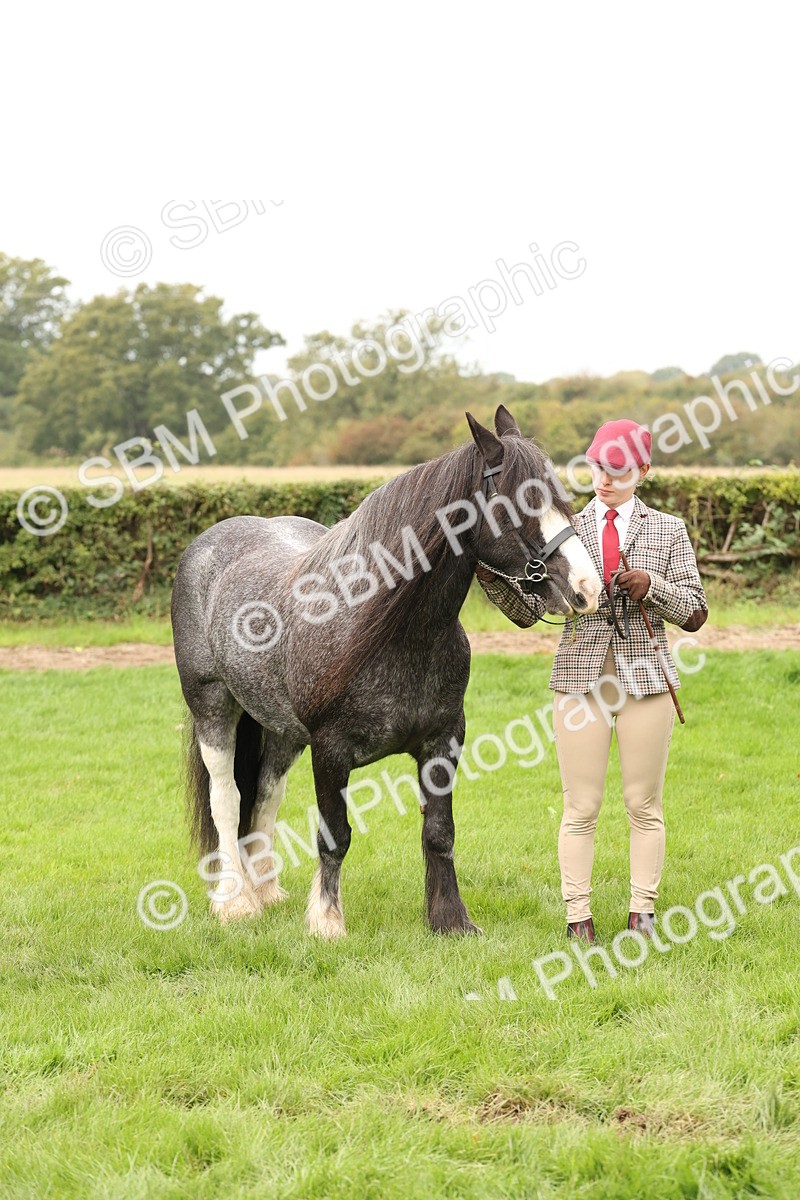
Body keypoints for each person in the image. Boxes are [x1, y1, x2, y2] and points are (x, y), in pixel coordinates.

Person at [477, 420, 707, 942]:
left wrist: (653, 587)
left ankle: (641, 912)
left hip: (646, 682)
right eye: (598, 467)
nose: (604, 478)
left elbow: (695, 612)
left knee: (642, 804)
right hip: (579, 682)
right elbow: (530, 611)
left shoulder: (668, 530)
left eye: (618, 470)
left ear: (643, 471)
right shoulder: (565, 528)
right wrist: (491, 579)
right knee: (580, 806)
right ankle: (577, 917)